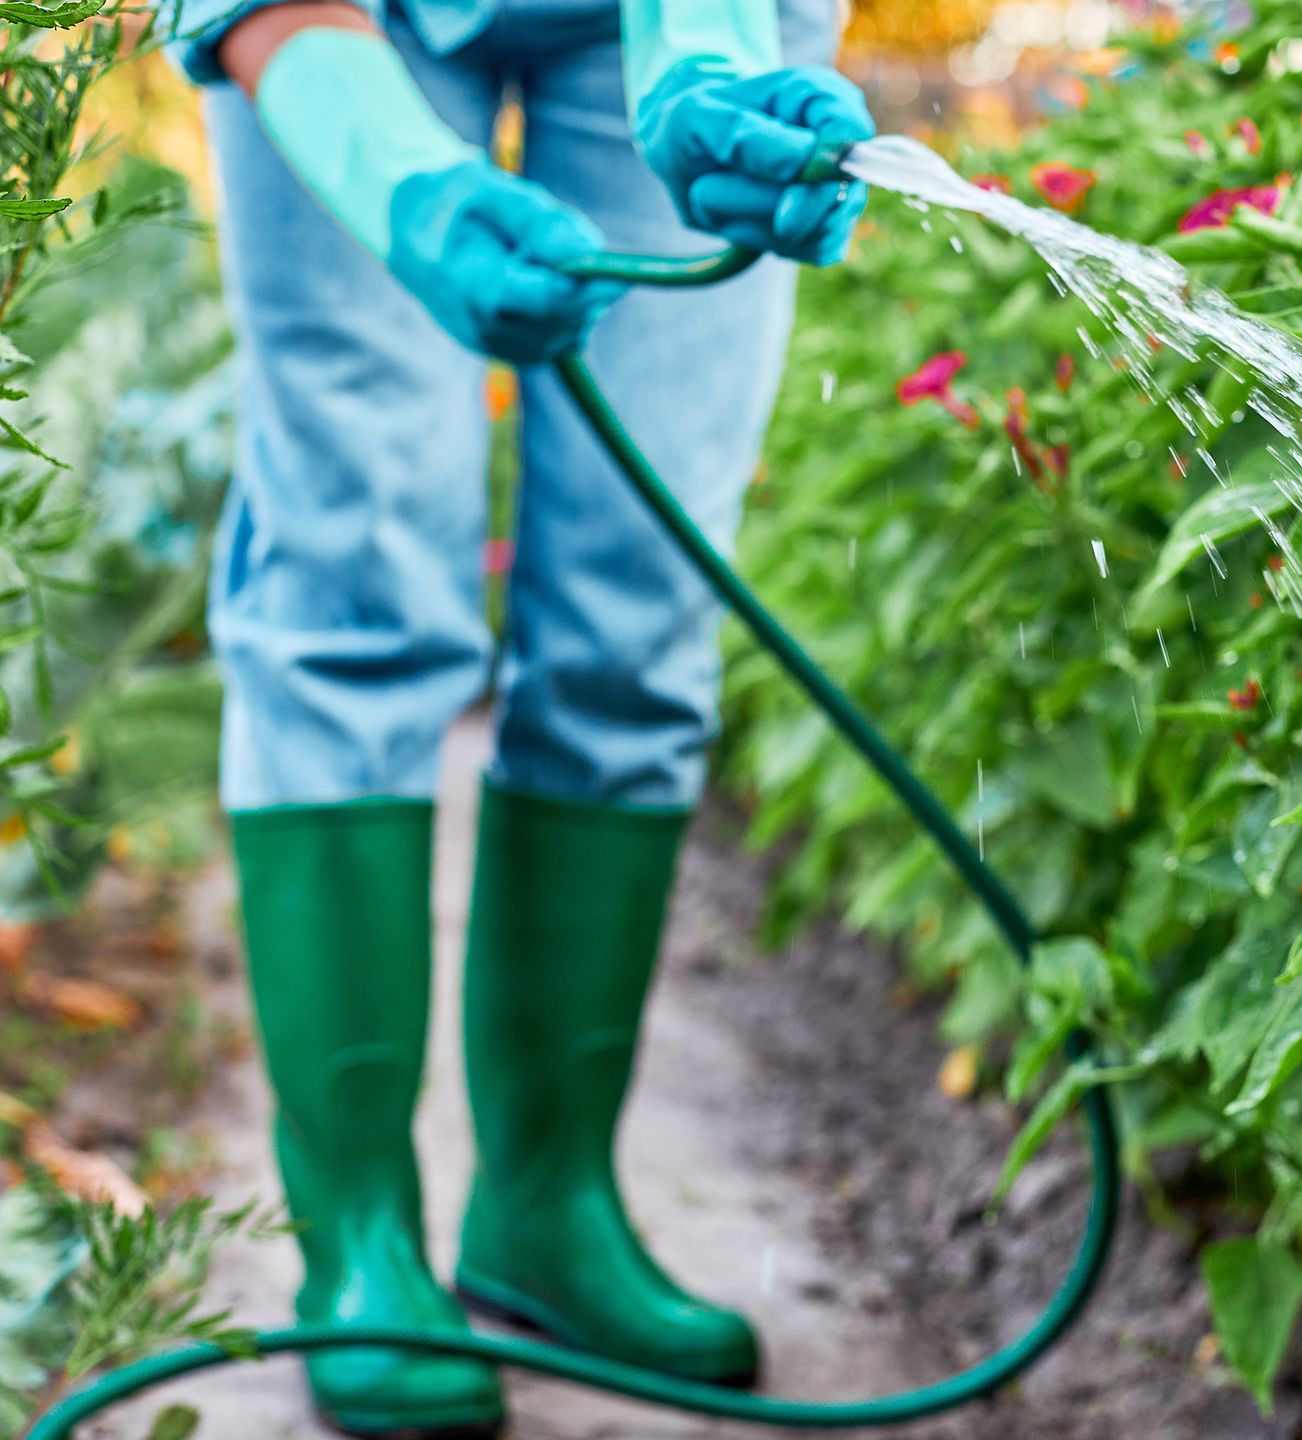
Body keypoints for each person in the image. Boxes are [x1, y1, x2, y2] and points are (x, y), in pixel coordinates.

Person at [168, 0, 871, 1429]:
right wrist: (394, 179)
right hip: (337, 27)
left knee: (642, 601)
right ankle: (359, 1247)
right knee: (353, 584)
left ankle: (549, 1210)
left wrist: (714, 61)